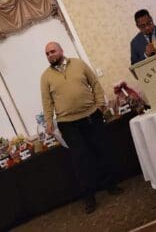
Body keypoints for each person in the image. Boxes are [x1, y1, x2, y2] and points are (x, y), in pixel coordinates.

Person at [40, 42, 123, 214]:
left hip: (91, 117)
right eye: (47, 54)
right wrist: (49, 122)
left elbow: (95, 83)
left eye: (53, 51)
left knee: (101, 152)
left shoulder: (78, 64)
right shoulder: (45, 76)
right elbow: (47, 102)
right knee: (81, 161)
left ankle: (111, 185)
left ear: (61, 51)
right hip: (67, 124)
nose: (50, 55)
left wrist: (100, 105)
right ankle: (89, 198)